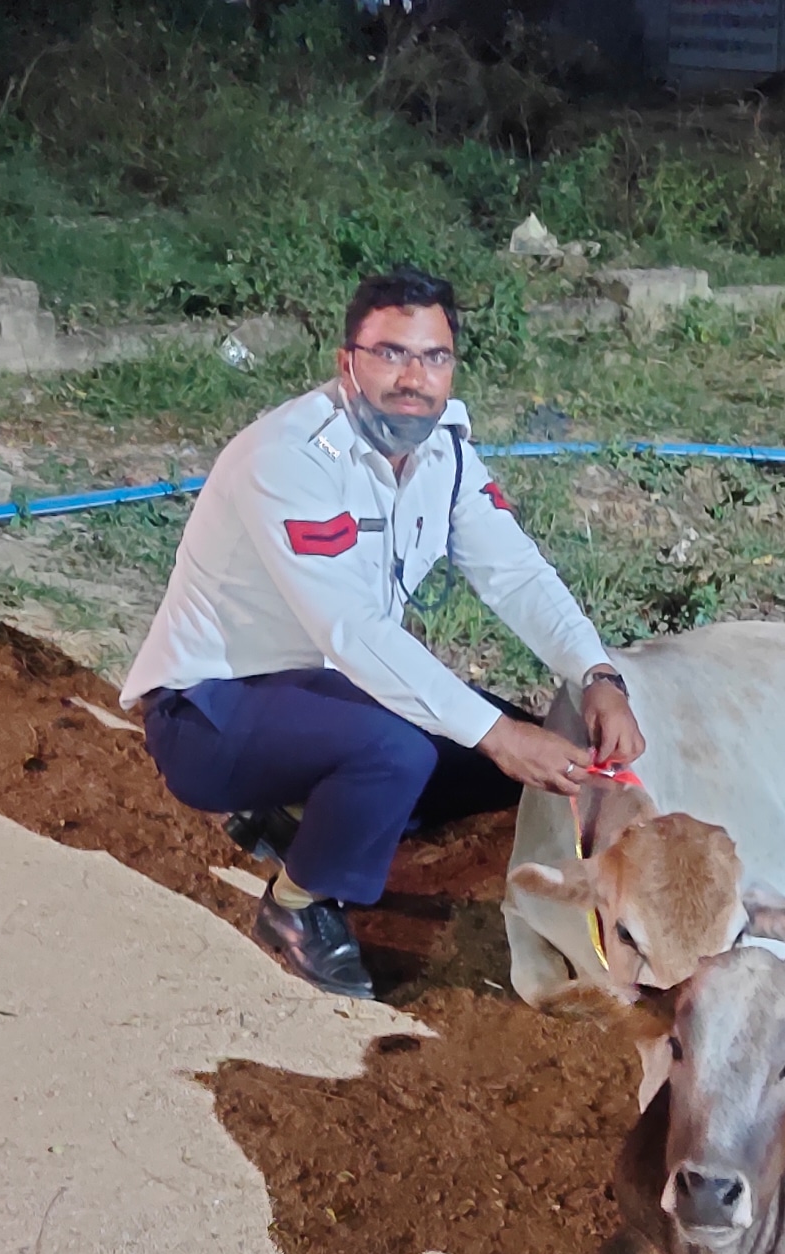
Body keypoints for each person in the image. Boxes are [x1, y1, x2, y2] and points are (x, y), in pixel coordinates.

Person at [122, 266, 645, 999]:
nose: (414, 379)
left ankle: (296, 812)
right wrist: (497, 733)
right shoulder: (290, 458)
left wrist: (596, 674)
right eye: (391, 353)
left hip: (324, 698)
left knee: (494, 764)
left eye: (434, 357)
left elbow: (515, 573)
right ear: (348, 363)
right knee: (404, 751)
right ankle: (297, 904)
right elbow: (352, 631)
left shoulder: (444, 455)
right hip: (209, 711)